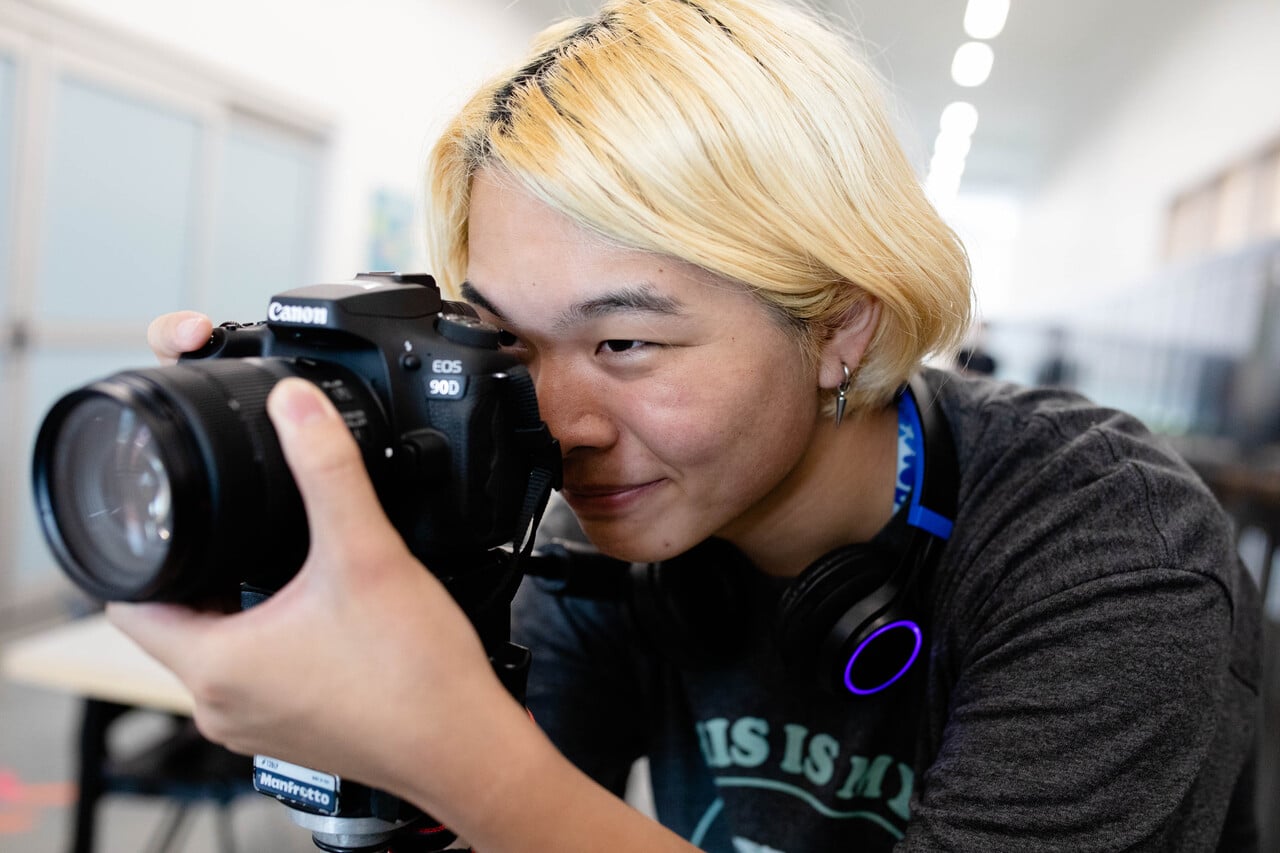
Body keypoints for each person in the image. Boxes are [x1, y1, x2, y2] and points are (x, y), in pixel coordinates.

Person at [118, 0, 1261, 850]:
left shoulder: (1105, 544)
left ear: (839, 327)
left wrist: (460, 756)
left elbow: (510, 796)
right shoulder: (595, 545)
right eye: (510, 346)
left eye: (624, 343)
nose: (557, 424)